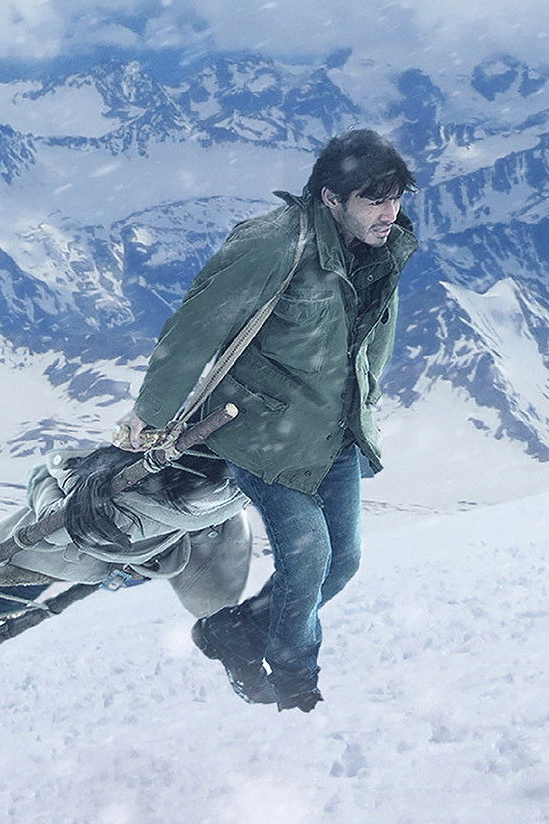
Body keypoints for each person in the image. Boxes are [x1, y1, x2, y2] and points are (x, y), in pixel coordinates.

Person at [117, 129, 418, 711]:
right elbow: (195, 328)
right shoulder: (274, 244)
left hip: (334, 435)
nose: (389, 213)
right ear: (332, 199)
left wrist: (366, 409)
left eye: (395, 197)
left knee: (344, 563)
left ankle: (233, 632)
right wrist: (150, 415)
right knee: (307, 559)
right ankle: (294, 684)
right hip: (262, 432)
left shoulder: (384, 247)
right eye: (373, 200)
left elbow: (373, 339)